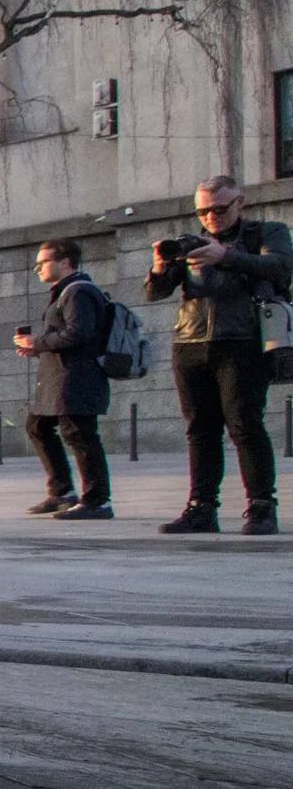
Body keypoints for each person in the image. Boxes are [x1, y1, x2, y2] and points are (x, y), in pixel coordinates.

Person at [147, 175, 291, 535]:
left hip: (242, 341)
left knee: (244, 424)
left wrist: (225, 255)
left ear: (240, 203)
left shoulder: (266, 233)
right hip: (190, 342)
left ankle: (261, 506)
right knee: (200, 429)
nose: (211, 216)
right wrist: (161, 268)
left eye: (219, 209)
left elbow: (280, 269)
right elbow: (154, 294)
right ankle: (201, 507)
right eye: (203, 210)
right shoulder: (190, 242)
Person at [16, 238, 115, 521]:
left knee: (80, 434)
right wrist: (38, 348)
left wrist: (39, 342)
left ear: (64, 262)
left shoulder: (78, 291)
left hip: (76, 378)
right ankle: (61, 493)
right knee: (37, 425)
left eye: (42, 261)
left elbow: (79, 333)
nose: (37, 268)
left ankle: (97, 500)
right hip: (60, 377)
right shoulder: (66, 291)